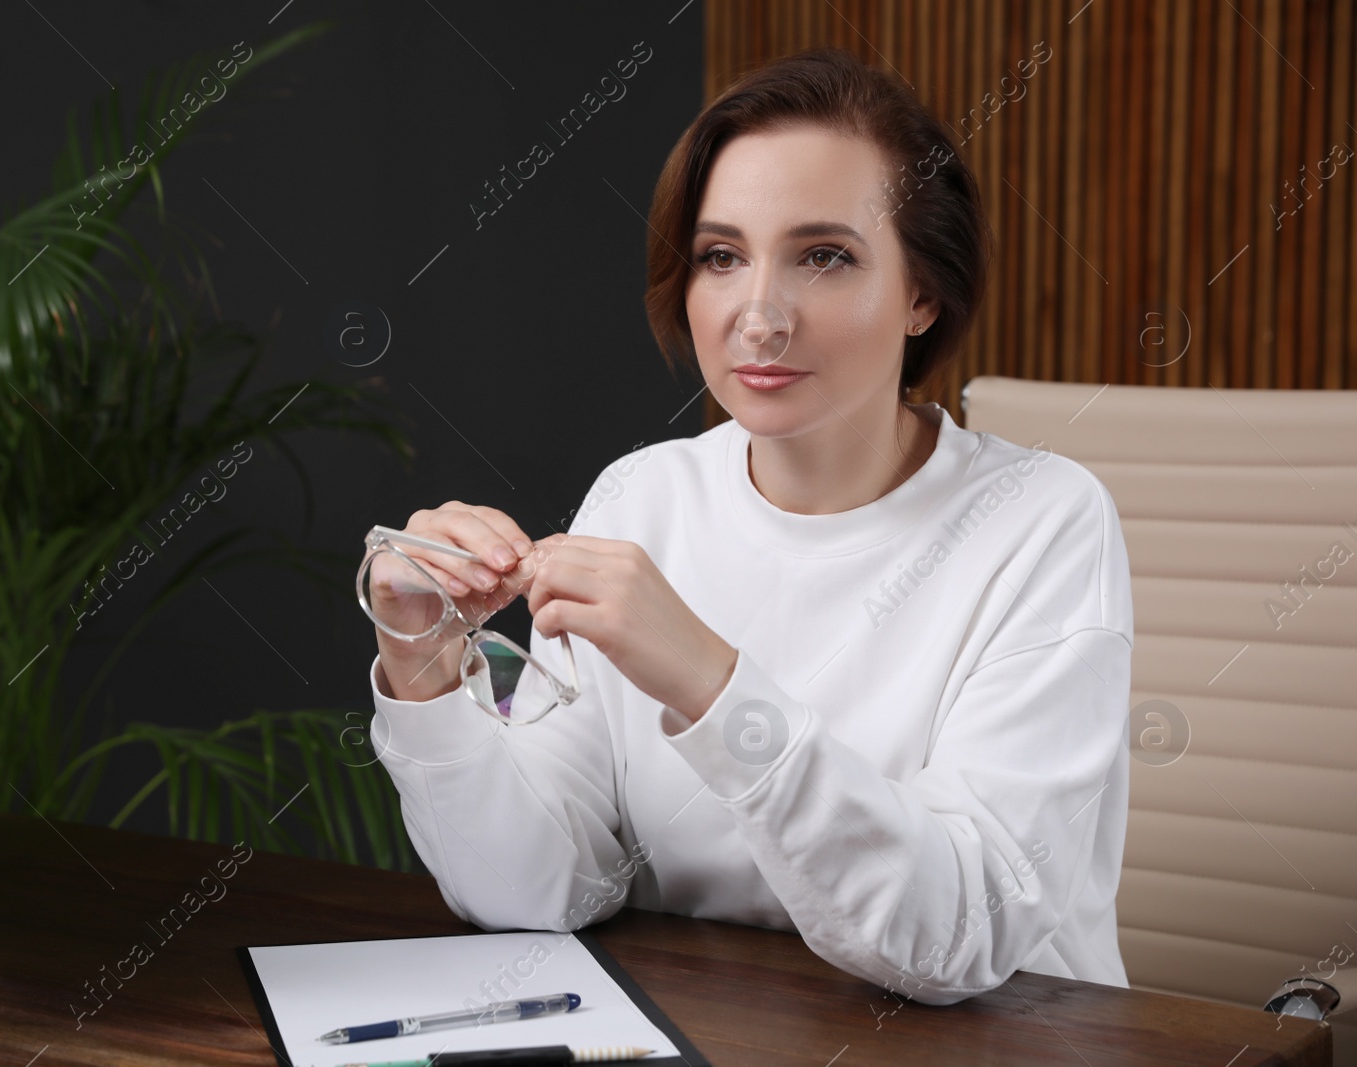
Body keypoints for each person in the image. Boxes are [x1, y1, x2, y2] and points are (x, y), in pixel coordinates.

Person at [364, 47, 1133, 1006]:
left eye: (824, 257)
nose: (758, 317)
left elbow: (957, 939)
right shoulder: (642, 497)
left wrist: (708, 680)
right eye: (721, 257)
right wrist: (424, 665)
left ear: (924, 294)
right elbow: (538, 887)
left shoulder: (1044, 523)